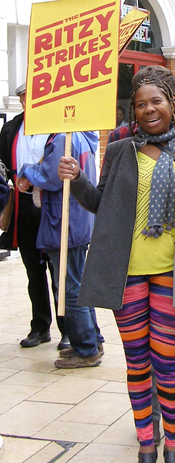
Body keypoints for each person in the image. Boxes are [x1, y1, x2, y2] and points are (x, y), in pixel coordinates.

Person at [59, 68, 175, 463]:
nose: (149, 109)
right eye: (141, 103)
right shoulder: (118, 146)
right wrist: (77, 178)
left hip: (173, 271)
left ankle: (173, 445)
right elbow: (100, 203)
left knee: (167, 362)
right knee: (137, 363)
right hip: (127, 272)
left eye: (157, 101)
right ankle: (146, 445)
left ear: (171, 104)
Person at [18, 131, 104, 368]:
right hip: (77, 218)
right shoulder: (84, 135)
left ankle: (86, 349)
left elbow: (52, 177)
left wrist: (27, 169)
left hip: (65, 220)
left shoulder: (63, 138)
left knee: (70, 288)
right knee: (78, 284)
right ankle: (92, 340)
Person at [0, 83, 66, 349]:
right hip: (22, 206)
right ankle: (40, 326)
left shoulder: (59, 126)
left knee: (58, 270)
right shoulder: (11, 128)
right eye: (25, 99)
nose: (31, 102)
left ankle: (68, 330)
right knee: (33, 270)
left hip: (51, 205)